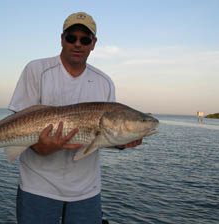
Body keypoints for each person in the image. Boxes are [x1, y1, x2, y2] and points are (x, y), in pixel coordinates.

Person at [8, 12, 142, 224]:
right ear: (62, 39)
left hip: (86, 192)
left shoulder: (105, 82)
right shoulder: (37, 69)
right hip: (37, 186)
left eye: (85, 39)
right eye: (71, 38)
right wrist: (38, 148)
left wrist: (123, 143)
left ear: (93, 44)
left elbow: (106, 135)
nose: (77, 44)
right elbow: (19, 122)